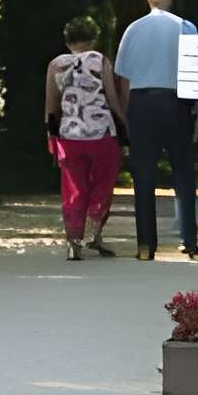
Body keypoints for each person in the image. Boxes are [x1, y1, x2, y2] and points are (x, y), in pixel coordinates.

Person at [112, 0, 198, 262]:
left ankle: (145, 244)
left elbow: (123, 78)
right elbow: (197, 75)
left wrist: (127, 114)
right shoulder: (186, 28)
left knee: (143, 175)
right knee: (183, 172)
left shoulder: (133, 29)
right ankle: (188, 239)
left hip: (141, 103)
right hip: (176, 102)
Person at [42, 14, 123, 258]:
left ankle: (73, 242)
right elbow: (112, 99)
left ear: (67, 41)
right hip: (101, 135)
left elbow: (51, 106)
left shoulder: (56, 65)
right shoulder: (99, 61)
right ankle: (93, 234)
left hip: (69, 136)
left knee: (73, 189)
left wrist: (51, 136)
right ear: (93, 39)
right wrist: (125, 123)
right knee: (102, 184)